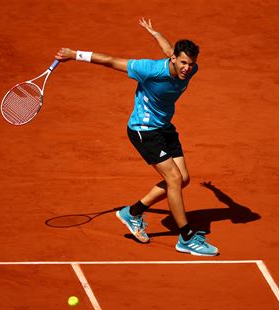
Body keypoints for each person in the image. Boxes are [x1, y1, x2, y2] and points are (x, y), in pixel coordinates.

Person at [55, 18, 218, 256]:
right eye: (183, 62)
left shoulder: (189, 69)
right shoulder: (149, 69)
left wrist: (155, 33)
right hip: (144, 130)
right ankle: (185, 238)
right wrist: (74, 54)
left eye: (191, 64)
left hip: (164, 127)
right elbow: (111, 61)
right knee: (173, 179)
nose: (187, 68)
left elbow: (167, 48)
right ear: (174, 59)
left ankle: (131, 213)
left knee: (183, 179)